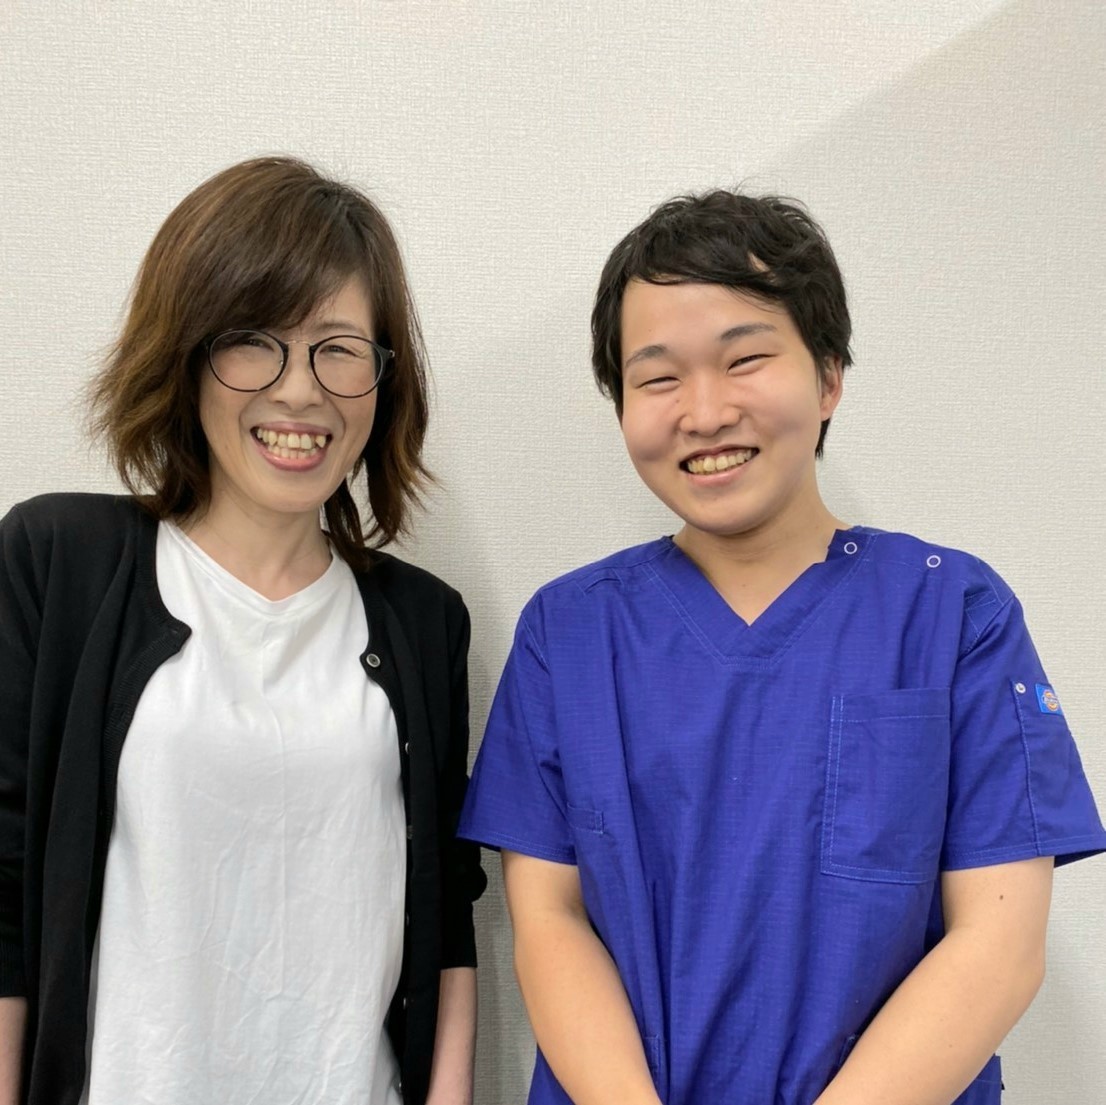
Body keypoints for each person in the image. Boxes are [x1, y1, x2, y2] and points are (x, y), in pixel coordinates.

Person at [457, 191, 1106, 1105]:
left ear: (829, 375)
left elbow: (999, 945)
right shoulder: (569, 633)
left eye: (745, 359)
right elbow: (549, 920)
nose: (705, 410)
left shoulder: (953, 614)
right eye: (658, 378)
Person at [0, 156, 486, 1105]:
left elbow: (447, 907)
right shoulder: (59, 563)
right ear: (185, 356)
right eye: (254, 342)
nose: (300, 391)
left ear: (384, 377)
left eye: (339, 349)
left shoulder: (423, 622)